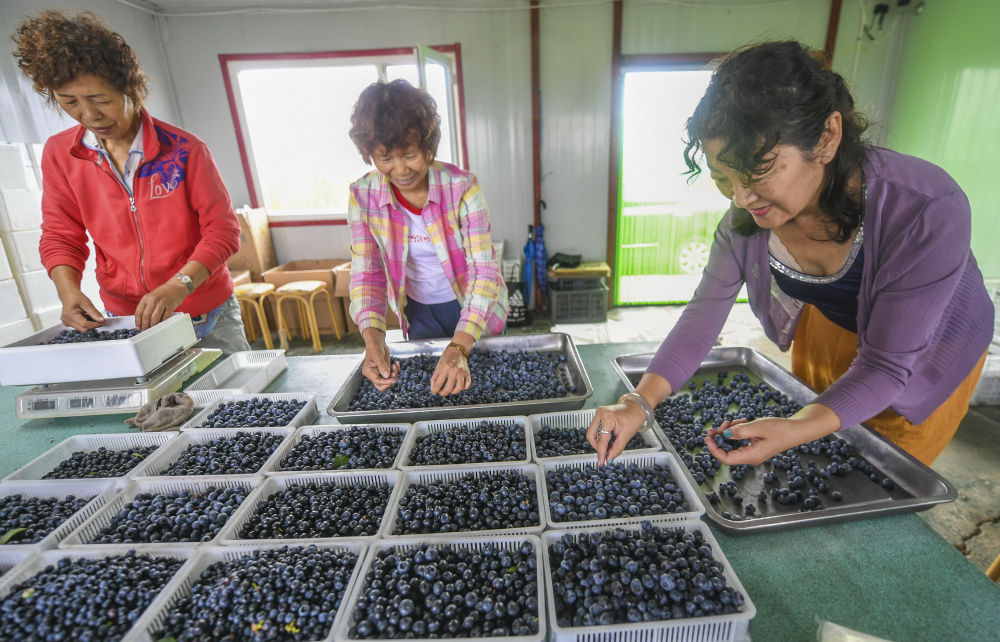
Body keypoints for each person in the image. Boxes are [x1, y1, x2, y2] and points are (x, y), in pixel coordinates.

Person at [588, 40, 993, 467]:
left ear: (827, 137)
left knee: (875, 468)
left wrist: (798, 427)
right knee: (819, 444)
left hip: (930, 348)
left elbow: (887, 366)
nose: (742, 198)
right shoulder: (747, 219)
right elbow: (703, 315)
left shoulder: (927, 210)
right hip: (834, 328)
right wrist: (639, 401)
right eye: (723, 177)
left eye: (759, 169)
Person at [12, 10, 249, 354]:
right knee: (157, 409)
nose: (89, 115)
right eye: (69, 102)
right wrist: (69, 292)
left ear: (132, 89)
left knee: (235, 400)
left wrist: (179, 286)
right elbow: (61, 234)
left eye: (99, 99)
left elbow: (223, 231)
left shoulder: (185, 151)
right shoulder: (61, 154)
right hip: (125, 318)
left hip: (206, 313)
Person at [347, 79, 508, 396]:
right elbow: (368, 271)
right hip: (420, 312)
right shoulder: (362, 196)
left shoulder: (462, 188)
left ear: (428, 145)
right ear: (369, 154)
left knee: (486, 390)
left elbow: (484, 272)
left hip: (473, 306)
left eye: (409, 154)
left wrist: (460, 346)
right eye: (385, 158)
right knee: (436, 394)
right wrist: (373, 337)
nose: (400, 169)